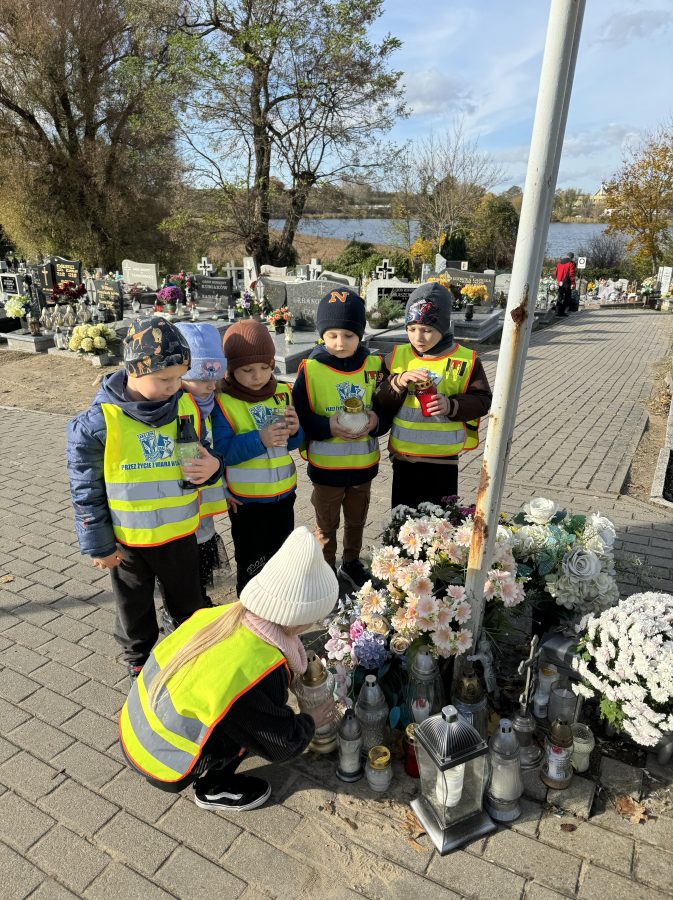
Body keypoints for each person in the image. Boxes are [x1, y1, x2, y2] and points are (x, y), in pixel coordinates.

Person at [119, 526, 338, 811]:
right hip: (163, 759)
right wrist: (310, 721)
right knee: (248, 724)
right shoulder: (258, 670)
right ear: (301, 618)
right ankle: (213, 788)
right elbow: (281, 744)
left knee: (244, 713)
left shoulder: (221, 615)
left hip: (138, 727)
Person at [66, 316, 225, 681]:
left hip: (179, 535)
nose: (175, 387)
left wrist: (214, 466)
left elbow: (206, 453)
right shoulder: (98, 423)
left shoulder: (185, 407)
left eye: (180, 377)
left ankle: (188, 655)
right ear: (134, 371)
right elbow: (85, 490)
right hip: (128, 545)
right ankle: (139, 663)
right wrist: (98, 545)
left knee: (188, 602)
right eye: (165, 379)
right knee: (134, 610)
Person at [292, 287, 389, 589]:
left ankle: (351, 563)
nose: (340, 342)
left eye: (348, 335)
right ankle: (324, 571)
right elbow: (300, 415)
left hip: (363, 466)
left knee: (357, 520)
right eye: (332, 335)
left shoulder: (374, 366)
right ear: (322, 335)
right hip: (326, 470)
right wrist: (327, 427)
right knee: (326, 524)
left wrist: (376, 421)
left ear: (360, 334)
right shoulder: (310, 369)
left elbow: (387, 407)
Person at [374, 282, 492, 509]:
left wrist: (451, 406)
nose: (418, 337)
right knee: (403, 521)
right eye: (411, 329)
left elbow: (483, 400)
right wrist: (398, 382)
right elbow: (379, 402)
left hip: (444, 461)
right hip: (405, 458)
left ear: (443, 327)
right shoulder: (395, 358)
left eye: (427, 330)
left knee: (441, 522)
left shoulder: (466, 360)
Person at [213, 320, 303, 593]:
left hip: (284, 495)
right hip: (247, 502)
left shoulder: (281, 393)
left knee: (282, 558)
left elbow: (291, 443)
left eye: (265, 367)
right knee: (252, 561)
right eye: (247, 370)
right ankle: (249, 606)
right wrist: (259, 439)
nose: (258, 376)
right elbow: (222, 453)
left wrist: (296, 431)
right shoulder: (223, 402)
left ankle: (280, 603)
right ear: (231, 368)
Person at [174, 322, 231, 608]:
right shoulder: (174, 407)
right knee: (181, 562)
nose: (211, 385)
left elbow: (217, 448)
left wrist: (223, 484)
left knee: (201, 552)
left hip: (203, 501)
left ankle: (200, 599)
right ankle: (182, 607)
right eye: (201, 378)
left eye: (215, 377)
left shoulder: (210, 404)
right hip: (178, 504)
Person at [554, 252, 575, 317]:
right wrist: (572, 283)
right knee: (567, 297)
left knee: (560, 297)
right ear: (572, 257)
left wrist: (558, 280)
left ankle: (557, 312)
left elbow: (555, 273)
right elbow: (571, 274)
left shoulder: (559, 263)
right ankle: (562, 312)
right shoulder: (571, 264)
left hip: (560, 282)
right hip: (567, 282)